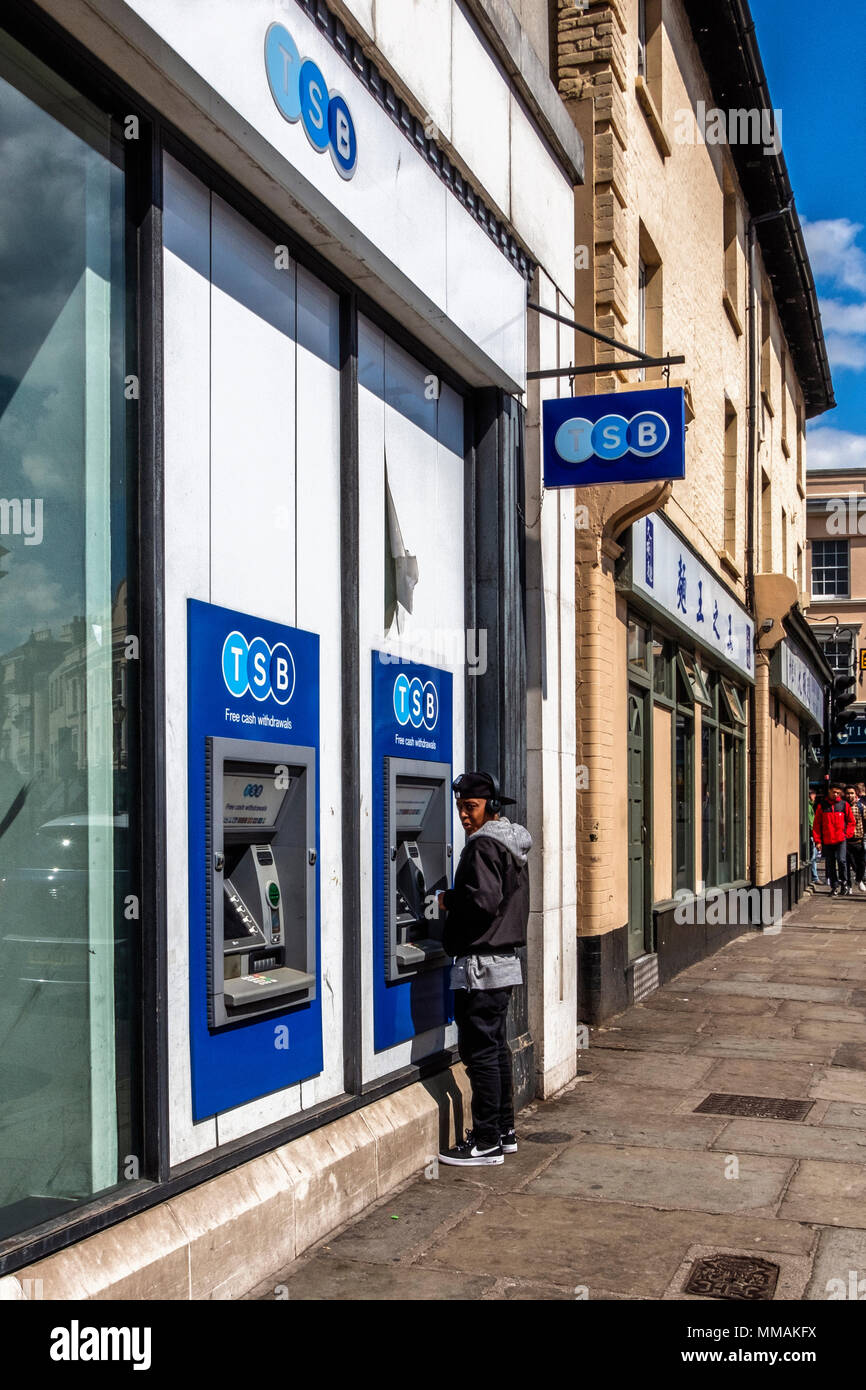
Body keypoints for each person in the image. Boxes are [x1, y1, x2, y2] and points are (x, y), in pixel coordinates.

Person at [436, 771, 531, 1167]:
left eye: (470, 807)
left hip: (482, 968)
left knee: (479, 1053)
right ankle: (504, 1132)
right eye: (459, 806)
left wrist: (447, 900)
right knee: (495, 1049)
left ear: (491, 807)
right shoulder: (511, 846)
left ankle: (486, 1140)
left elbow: (482, 903)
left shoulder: (481, 847)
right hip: (504, 964)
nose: (463, 814)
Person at [813, 787, 855, 897]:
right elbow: (817, 825)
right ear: (829, 792)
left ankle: (844, 883)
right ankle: (834, 886)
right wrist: (818, 841)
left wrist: (847, 834)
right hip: (827, 840)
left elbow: (851, 821)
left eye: (837, 792)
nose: (835, 794)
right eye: (833, 792)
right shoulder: (821, 806)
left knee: (842, 861)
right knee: (830, 864)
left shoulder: (844, 805)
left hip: (841, 839)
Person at [844, 786, 866, 892]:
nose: (850, 795)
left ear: (856, 794)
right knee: (846, 865)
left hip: (858, 840)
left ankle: (858, 879)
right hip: (845, 841)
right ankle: (848, 886)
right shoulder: (842, 807)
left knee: (861, 864)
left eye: (852, 793)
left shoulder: (861, 807)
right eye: (848, 793)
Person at [808, 789, 820, 889]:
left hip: (812, 834)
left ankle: (815, 877)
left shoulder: (810, 806)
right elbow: (811, 823)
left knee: (814, 857)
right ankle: (814, 877)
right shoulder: (808, 806)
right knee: (813, 857)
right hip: (811, 835)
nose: (815, 797)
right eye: (814, 794)